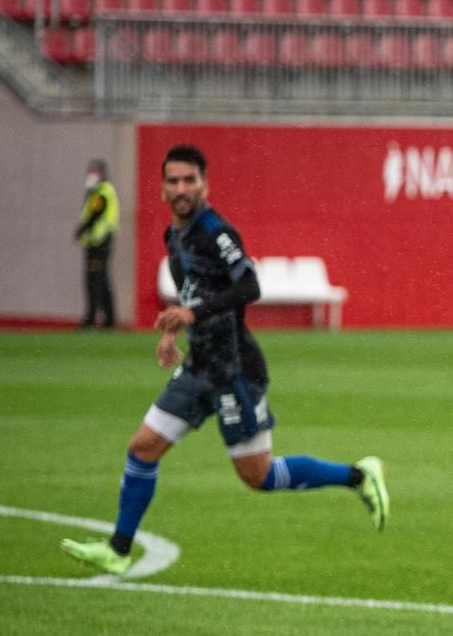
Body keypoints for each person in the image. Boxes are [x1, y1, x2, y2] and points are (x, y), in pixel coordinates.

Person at [59, 144, 389, 576]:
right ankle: (118, 550)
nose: (181, 188)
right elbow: (191, 294)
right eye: (173, 181)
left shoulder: (217, 232)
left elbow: (250, 287)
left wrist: (192, 315)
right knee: (143, 447)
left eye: (189, 180)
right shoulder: (174, 237)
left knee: (258, 476)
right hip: (199, 366)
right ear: (161, 189)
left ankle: (359, 476)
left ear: (204, 184)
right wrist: (172, 333)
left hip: (235, 371)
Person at [76, 159, 119, 331]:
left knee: (94, 280)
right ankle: (109, 320)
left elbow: (95, 214)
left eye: (94, 171)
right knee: (101, 279)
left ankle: (91, 319)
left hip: (99, 242)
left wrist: (81, 230)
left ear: (102, 173)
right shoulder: (96, 191)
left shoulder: (102, 191)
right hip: (97, 242)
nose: (90, 175)